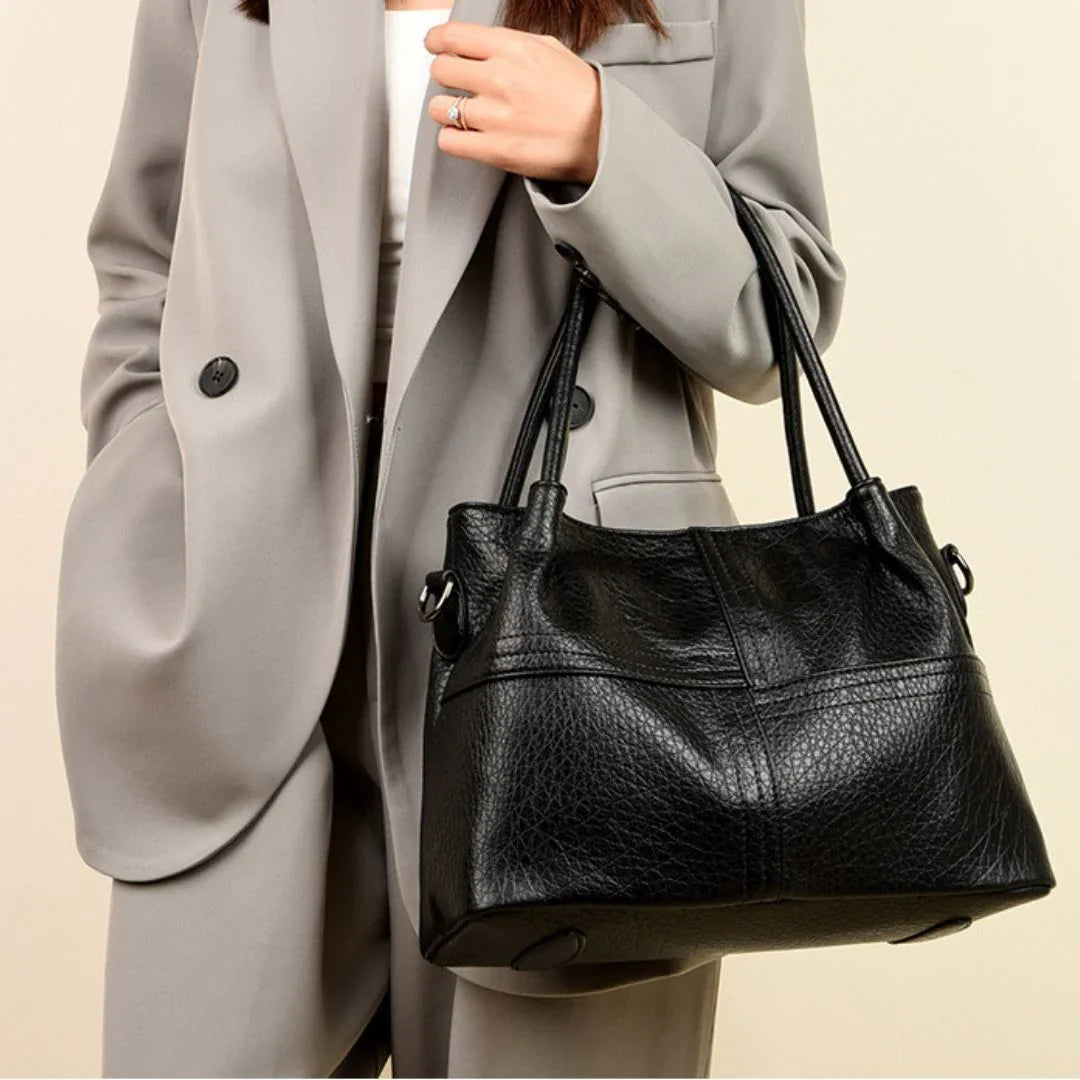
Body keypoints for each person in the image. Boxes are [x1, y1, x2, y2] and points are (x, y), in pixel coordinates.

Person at [54, 0, 845, 1074]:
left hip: (568, 648)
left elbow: (778, 317)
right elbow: (143, 259)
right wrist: (148, 472)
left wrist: (606, 149)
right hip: (242, 621)